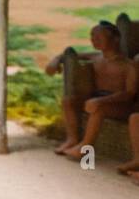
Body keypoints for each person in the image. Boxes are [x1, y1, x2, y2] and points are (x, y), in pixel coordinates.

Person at [46, 22, 137, 159]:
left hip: (120, 104)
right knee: (69, 101)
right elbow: (68, 55)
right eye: (92, 36)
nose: (94, 39)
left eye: (99, 35)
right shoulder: (96, 57)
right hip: (97, 98)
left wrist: (101, 100)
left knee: (99, 108)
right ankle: (72, 139)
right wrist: (55, 61)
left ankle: (85, 146)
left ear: (116, 38)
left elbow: (130, 93)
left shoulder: (129, 66)